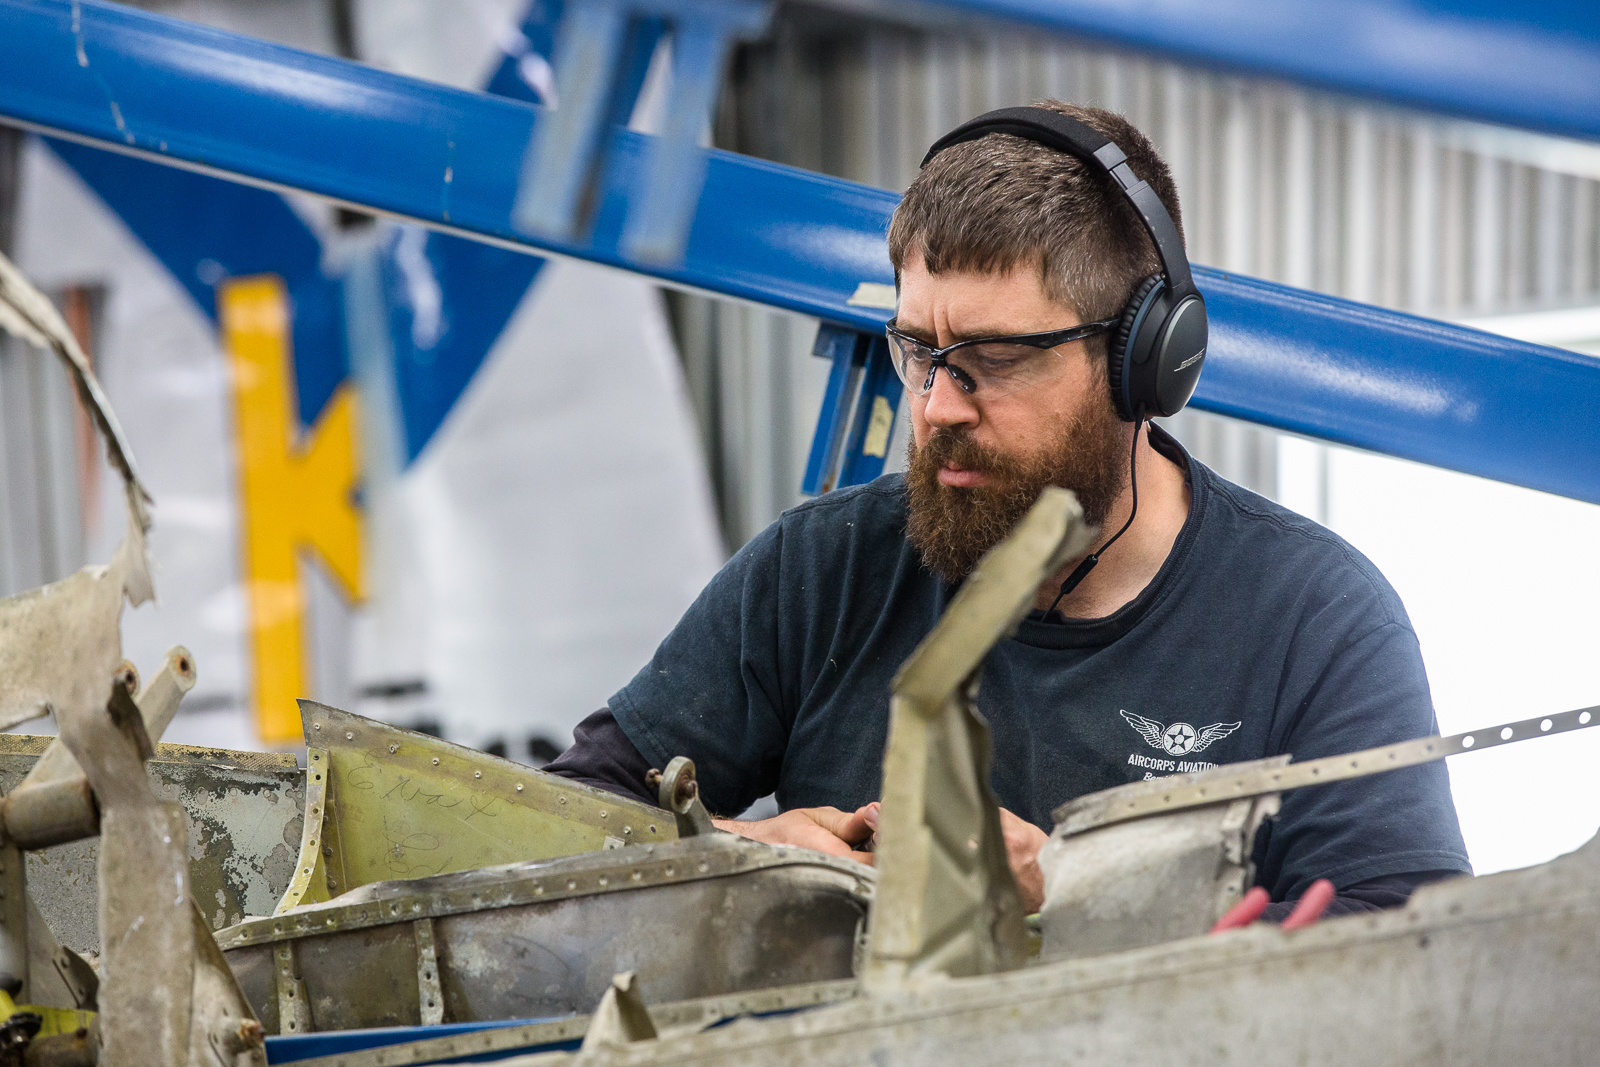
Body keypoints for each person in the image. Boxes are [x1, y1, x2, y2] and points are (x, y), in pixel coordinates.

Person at [548, 100, 1471, 920]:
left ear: (1140, 362)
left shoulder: (1314, 618)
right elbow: (559, 818)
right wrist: (729, 854)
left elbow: (1408, 944)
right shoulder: (819, 571)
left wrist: (1079, 900)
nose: (940, 404)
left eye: (994, 359)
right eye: (920, 350)